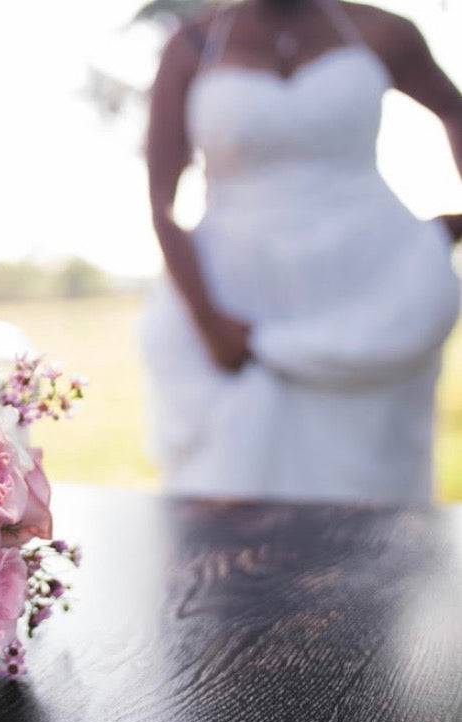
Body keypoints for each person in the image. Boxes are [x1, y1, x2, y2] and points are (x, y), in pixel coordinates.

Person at [143, 0, 462, 503]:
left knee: (373, 513)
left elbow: (453, 109)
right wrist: (207, 318)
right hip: (234, 306)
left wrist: (449, 225)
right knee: (227, 503)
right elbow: (161, 201)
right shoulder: (192, 45)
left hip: (368, 299)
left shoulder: (383, 31)